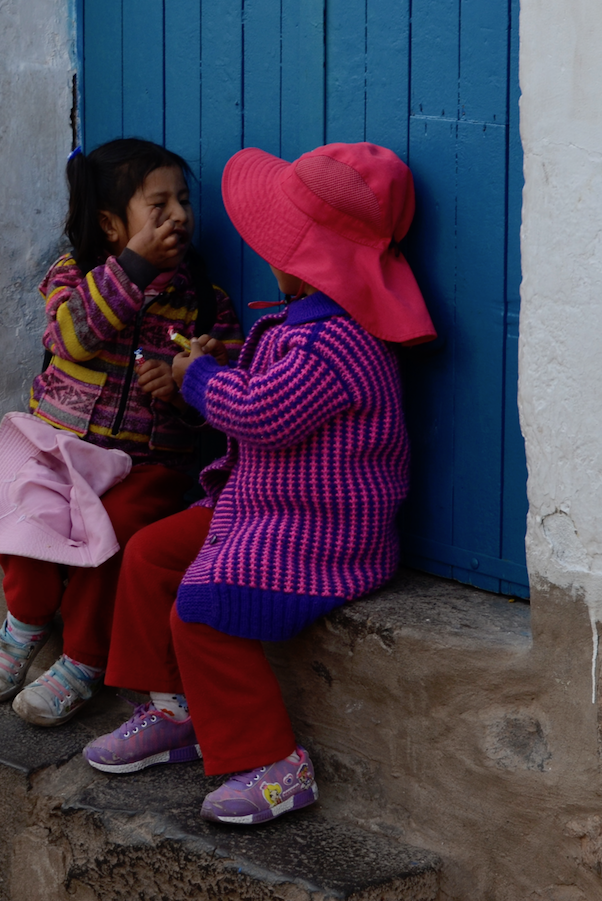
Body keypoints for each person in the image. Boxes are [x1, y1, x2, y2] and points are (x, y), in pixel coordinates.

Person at [81, 141, 435, 825]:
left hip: (322, 530)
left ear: (308, 262)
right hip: (266, 506)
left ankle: (274, 762)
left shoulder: (341, 343)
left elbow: (263, 414)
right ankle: (172, 708)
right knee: (153, 555)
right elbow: (270, 385)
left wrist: (201, 379)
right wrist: (229, 358)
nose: (268, 254)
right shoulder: (308, 327)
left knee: (203, 604)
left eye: (279, 243)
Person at [0, 138, 243, 726]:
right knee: (25, 507)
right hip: (59, 450)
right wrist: (133, 269)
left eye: (184, 201)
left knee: (115, 530)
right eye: (158, 205)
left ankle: (84, 659)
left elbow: (223, 397)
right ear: (111, 225)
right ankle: (26, 622)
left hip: (146, 467)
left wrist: (184, 388)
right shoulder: (74, 276)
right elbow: (72, 338)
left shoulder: (201, 302)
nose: (179, 215)